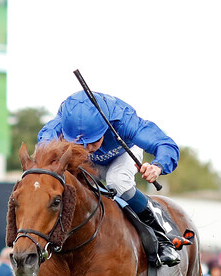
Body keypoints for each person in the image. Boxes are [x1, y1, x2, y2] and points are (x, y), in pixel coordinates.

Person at [38, 91, 183, 266]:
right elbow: (43, 150)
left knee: (118, 182)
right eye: (79, 143)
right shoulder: (61, 124)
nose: (87, 149)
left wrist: (157, 166)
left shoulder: (124, 121)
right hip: (87, 164)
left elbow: (165, 144)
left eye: (93, 142)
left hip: (122, 154)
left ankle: (161, 236)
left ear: (105, 128)